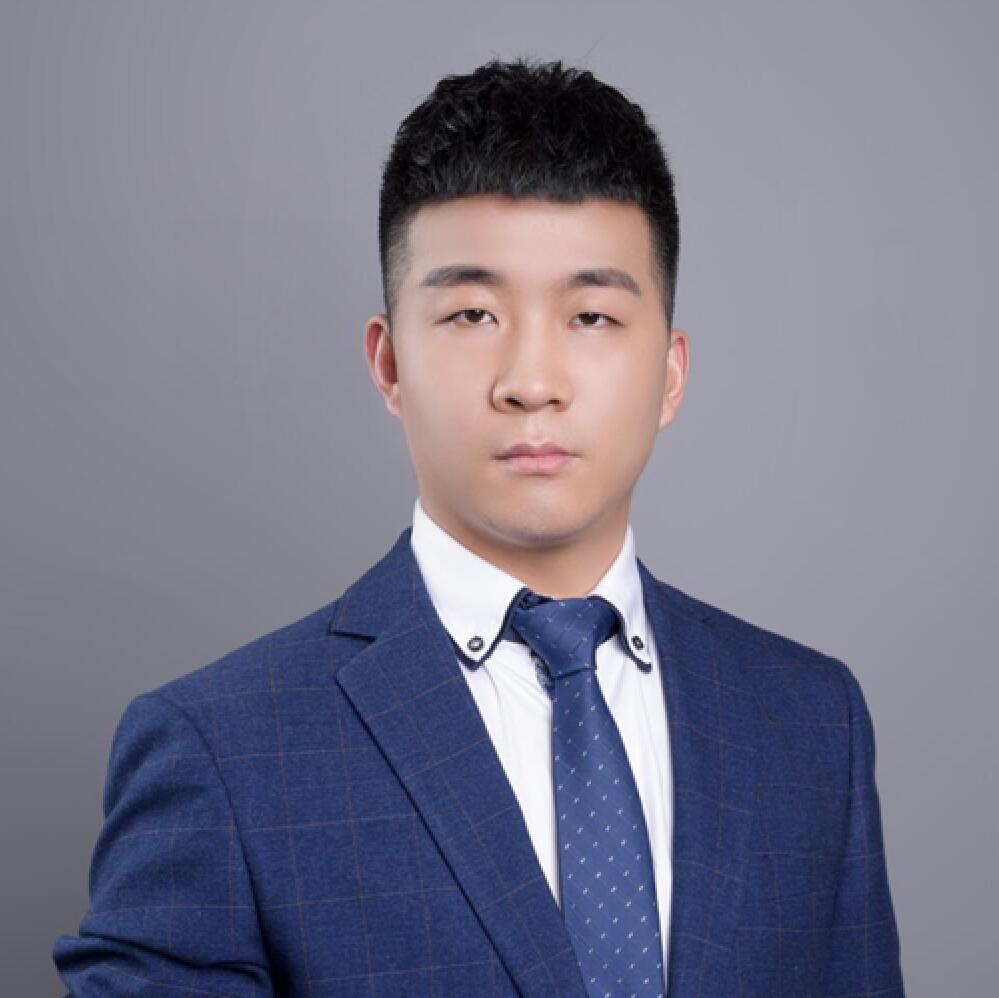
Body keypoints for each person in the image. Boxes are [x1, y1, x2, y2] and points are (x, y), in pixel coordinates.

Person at [52, 57, 904, 997]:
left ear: (669, 373)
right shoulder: (222, 750)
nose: (530, 382)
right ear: (388, 365)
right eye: (471, 313)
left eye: (591, 315)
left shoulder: (806, 720)